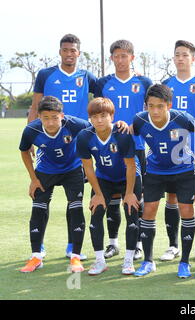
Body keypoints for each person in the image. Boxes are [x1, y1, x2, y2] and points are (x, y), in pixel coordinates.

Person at [28, 34, 96, 260]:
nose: (69, 53)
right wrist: (31, 138)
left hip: (76, 145)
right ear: (60, 52)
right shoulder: (46, 74)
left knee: (74, 200)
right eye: (65, 50)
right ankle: (39, 249)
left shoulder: (86, 76)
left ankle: (71, 246)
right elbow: (35, 105)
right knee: (41, 200)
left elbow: (107, 87)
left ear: (78, 52)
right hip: (48, 141)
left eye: (73, 50)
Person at [132, 84, 195, 278]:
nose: (155, 111)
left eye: (160, 106)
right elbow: (133, 137)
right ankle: (148, 261)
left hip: (183, 169)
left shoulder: (182, 118)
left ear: (168, 105)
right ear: (146, 106)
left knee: (186, 210)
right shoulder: (139, 120)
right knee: (149, 210)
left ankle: (184, 262)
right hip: (155, 170)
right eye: (151, 106)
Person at [95, 39, 153, 261]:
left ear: (132, 57)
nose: (120, 60)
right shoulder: (103, 83)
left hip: (137, 147)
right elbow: (98, 111)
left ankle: (137, 244)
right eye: (116, 56)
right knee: (111, 198)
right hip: (108, 149)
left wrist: (134, 126)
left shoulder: (144, 82)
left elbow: (152, 110)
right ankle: (113, 243)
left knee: (135, 197)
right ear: (111, 58)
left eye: (124, 56)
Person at [19, 96, 90, 273]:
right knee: (38, 208)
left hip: (72, 169)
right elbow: (24, 152)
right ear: (39, 117)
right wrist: (33, 179)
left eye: (54, 118)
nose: (50, 123)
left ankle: (75, 256)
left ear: (62, 116)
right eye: (45, 118)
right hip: (45, 170)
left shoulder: (75, 124)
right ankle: (36, 255)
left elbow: (96, 130)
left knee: (75, 208)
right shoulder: (31, 130)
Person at [160, 40, 195, 263]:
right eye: (177, 54)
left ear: (193, 58)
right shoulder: (166, 84)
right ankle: (173, 245)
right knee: (171, 197)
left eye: (185, 54)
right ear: (173, 59)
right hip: (170, 151)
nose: (181, 58)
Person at [77, 97, 141, 275]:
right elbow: (88, 168)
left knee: (131, 213)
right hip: (104, 178)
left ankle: (128, 260)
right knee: (96, 215)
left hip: (128, 178)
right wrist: (97, 194)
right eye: (95, 116)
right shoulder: (84, 137)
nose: (99, 120)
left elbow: (131, 165)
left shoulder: (122, 133)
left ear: (112, 116)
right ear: (89, 118)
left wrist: (129, 194)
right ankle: (99, 261)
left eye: (103, 115)